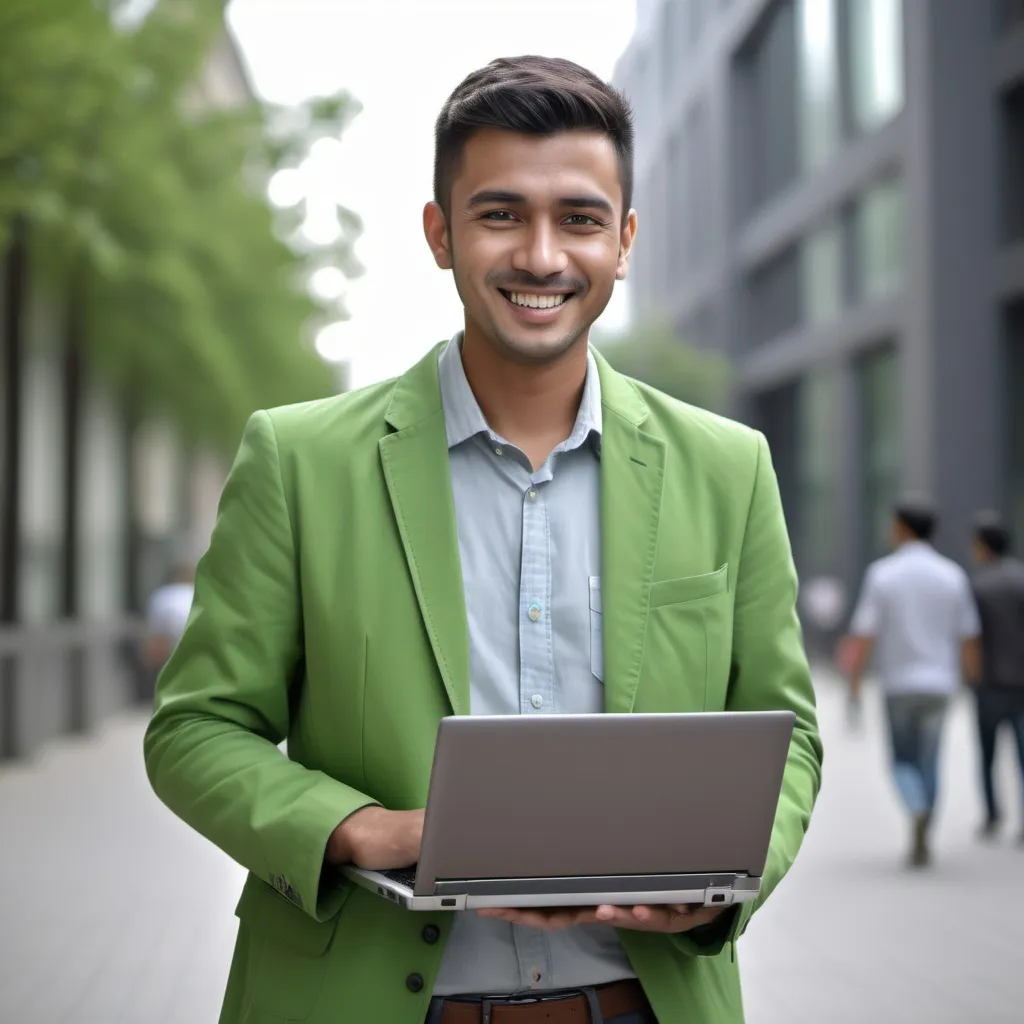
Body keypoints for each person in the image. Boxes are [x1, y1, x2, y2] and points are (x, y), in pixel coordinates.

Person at [143, 56, 822, 1024]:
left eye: (580, 219)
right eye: (500, 213)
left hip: (643, 999)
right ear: (440, 233)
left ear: (623, 241)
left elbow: (787, 734)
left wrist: (726, 875)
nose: (541, 255)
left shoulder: (726, 466)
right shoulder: (299, 460)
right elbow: (194, 727)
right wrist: (354, 827)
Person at [842, 496, 981, 868]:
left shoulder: (882, 574)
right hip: (941, 684)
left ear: (902, 528)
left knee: (902, 760)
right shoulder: (952, 574)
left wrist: (854, 684)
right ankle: (926, 825)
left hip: (899, 685)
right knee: (931, 760)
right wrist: (972, 678)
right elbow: (969, 634)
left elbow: (864, 635)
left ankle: (915, 808)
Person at [970, 511, 1024, 842]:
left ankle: (992, 815)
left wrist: (970, 676)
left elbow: (970, 638)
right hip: (1022, 685)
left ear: (982, 546)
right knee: (1023, 756)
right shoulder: (1022, 579)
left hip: (989, 683)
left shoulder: (978, 584)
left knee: (987, 755)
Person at [139, 562, 195, 700]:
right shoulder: (197, 592)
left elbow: (155, 634)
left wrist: (149, 661)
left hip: (169, 650)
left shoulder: (162, 595)